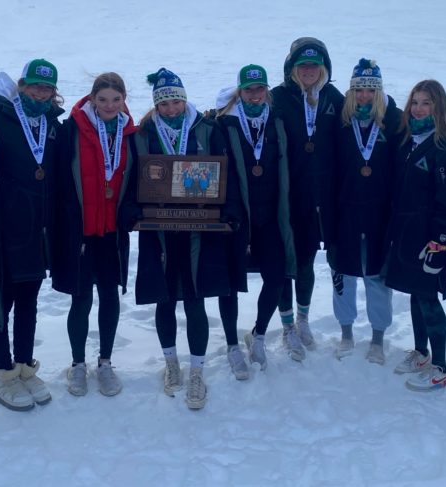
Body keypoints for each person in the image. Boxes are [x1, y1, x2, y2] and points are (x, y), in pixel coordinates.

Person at [121, 68, 239, 409]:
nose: (171, 108)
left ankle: (198, 370)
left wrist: (230, 207)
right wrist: (130, 209)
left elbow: (225, 170)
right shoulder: (142, 134)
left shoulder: (206, 129)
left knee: (195, 299)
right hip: (158, 229)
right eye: (164, 103)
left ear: (184, 99)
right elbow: (132, 175)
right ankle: (172, 364)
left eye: (175, 101)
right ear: (156, 105)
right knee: (165, 298)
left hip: (199, 228)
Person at [0, 59, 65, 411]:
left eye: (46, 88)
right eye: (34, 87)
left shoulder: (52, 123)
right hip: (2, 227)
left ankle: (26, 368)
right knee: (4, 303)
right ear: (21, 85)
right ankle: (4, 373)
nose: (40, 93)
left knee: (29, 302)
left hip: (37, 230)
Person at [49, 72, 137, 398]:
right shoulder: (72, 129)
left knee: (110, 297)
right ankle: (77, 364)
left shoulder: (130, 133)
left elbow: (139, 178)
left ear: (123, 100)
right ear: (92, 99)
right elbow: (59, 179)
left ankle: (105, 363)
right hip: (81, 231)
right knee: (82, 297)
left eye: (116, 100)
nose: (109, 106)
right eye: (103, 100)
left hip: (112, 231)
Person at [384, 79, 446, 392]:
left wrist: (441, 239)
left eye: (426, 103)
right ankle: (421, 352)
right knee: (414, 292)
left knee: (428, 297)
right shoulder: (409, 140)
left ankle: (441, 366)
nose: (419, 108)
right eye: (415, 102)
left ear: (439, 107)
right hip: (406, 232)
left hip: (431, 238)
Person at [214, 65, 296, 372]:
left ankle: (259, 334)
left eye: (260, 88)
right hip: (237, 218)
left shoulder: (277, 121)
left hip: (271, 217)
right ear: (239, 92)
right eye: (248, 89)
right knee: (230, 284)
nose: (255, 94)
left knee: (276, 277)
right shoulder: (225, 124)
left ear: (266, 91)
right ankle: (232, 345)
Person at [271, 37, 344, 360]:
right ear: (292, 68)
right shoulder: (278, 98)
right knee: (286, 261)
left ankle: (302, 319)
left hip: (320, 199)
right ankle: (287, 326)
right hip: (286, 196)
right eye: (303, 65)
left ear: (324, 68)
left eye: (315, 65)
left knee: (306, 261)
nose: (309, 71)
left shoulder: (333, 97)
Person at [326, 58, 400, 365]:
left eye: (371, 90)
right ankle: (346, 334)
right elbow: (329, 170)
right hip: (345, 213)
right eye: (359, 90)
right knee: (342, 274)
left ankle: (377, 339)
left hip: (380, 214)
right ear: (351, 91)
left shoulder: (394, 122)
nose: (365, 96)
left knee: (377, 278)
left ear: (379, 92)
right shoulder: (340, 124)